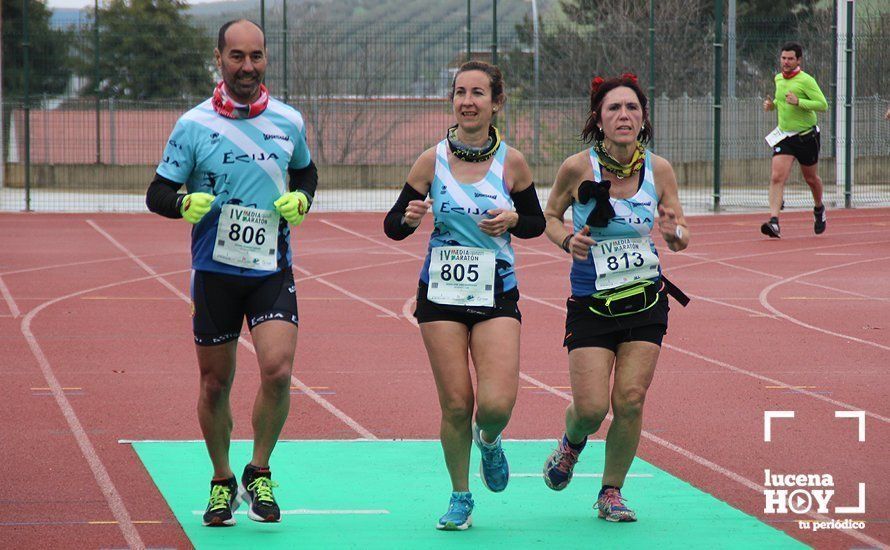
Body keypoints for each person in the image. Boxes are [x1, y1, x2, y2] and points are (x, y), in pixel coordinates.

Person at [145, 19, 317, 527]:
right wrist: (183, 202)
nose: (247, 67)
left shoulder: (289, 120)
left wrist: (303, 198)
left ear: (266, 59)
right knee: (215, 383)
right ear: (218, 58)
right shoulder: (193, 125)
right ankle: (222, 480)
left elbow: (305, 171)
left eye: (256, 56)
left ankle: (258, 470)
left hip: (271, 268)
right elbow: (157, 193)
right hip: (214, 272)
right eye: (237, 56)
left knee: (278, 370)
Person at [383, 61, 544, 531]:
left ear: (496, 103)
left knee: (493, 404)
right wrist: (410, 219)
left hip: (496, 291)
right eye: (460, 92)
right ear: (452, 101)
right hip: (440, 295)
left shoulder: (511, 162)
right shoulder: (429, 161)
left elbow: (535, 223)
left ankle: (490, 441)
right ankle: (460, 495)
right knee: (455, 403)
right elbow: (393, 226)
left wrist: (514, 219)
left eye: (478, 93)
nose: (468, 101)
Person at [540, 73, 689, 522]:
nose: (624, 115)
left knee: (630, 399)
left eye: (632, 108)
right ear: (598, 120)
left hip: (645, 301)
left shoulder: (659, 170)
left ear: (643, 119)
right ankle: (572, 442)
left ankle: (611, 492)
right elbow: (549, 216)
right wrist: (568, 242)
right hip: (591, 301)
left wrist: (672, 232)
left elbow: (681, 235)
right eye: (614, 109)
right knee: (590, 408)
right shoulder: (576, 168)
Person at [761, 41, 828, 238]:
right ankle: (774, 222)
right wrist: (771, 105)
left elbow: (822, 105)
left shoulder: (806, 81)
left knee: (811, 179)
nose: (786, 62)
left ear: (798, 60)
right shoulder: (778, 79)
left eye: (790, 59)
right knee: (776, 177)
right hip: (785, 137)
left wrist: (800, 102)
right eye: (783, 58)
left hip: (806, 136)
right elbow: (781, 101)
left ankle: (819, 208)